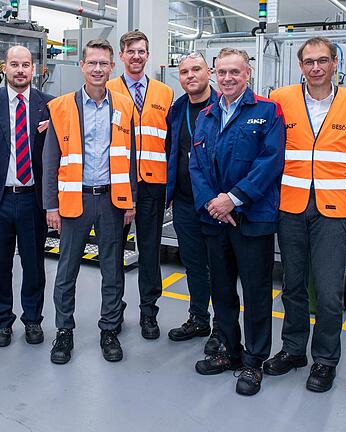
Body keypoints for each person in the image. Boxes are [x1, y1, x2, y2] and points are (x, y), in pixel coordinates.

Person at [265, 37, 346, 392]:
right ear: (300, 66)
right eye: (308, 62)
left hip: (333, 211)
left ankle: (325, 360)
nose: (315, 67)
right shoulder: (281, 100)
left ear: (335, 63)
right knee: (292, 286)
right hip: (290, 206)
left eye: (322, 60)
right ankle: (294, 350)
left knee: (327, 292)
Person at [189, 47, 285, 396]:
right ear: (215, 74)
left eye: (235, 72)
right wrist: (215, 204)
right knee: (223, 290)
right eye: (222, 72)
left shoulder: (267, 111)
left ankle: (254, 361)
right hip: (216, 220)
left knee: (257, 292)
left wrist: (234, 198)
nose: (228, 78)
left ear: (248, 74)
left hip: (253, 218)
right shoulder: (207, 115)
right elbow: (196, 165)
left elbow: (270, 162)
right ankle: (229, 351)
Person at [43, 38, 137, 364]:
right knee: (66, 271)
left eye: (104, 64)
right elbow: (51, 160)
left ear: (113, 67)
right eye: (92, 63)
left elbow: (131, 157)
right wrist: (50, 206)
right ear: (82, 66)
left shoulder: (124, 107)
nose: (98, 69)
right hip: (74, 200)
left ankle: (109, 329)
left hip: (111, 200)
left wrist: (131, 202)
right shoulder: (61, 107)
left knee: (112, 270)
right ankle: (64, 332)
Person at [0, 46, 54, 348]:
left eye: (26, 65)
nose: (20, 70)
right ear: (4, 67)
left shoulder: (49, 105)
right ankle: (3, 321)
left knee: (34, 265)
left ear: (35, 70)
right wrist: (1, 169)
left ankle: (33, 320)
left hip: (33, 200)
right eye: (14, 64)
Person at [107, 31, 173, 340]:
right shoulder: (106, 90)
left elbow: (171, 142)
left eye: (141, 51)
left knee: (149, 251)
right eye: (131, 51)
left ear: (148, 55)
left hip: (152, 185)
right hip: (117, 185)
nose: (136, 56)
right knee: (114, 251)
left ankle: (149, 312)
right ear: (121, 55)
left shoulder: (164, 93)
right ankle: (114, 309)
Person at [165, 52, 221, 353]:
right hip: (186, 203)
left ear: (208, 72)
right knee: (195, 265)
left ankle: (222, 329)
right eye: (184, 71)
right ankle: (199, 317)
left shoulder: (224, 106)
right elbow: (172, 151)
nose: (190, 76)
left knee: (221, 267)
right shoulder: (178, 109)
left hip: (217, 204)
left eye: (196, 69)